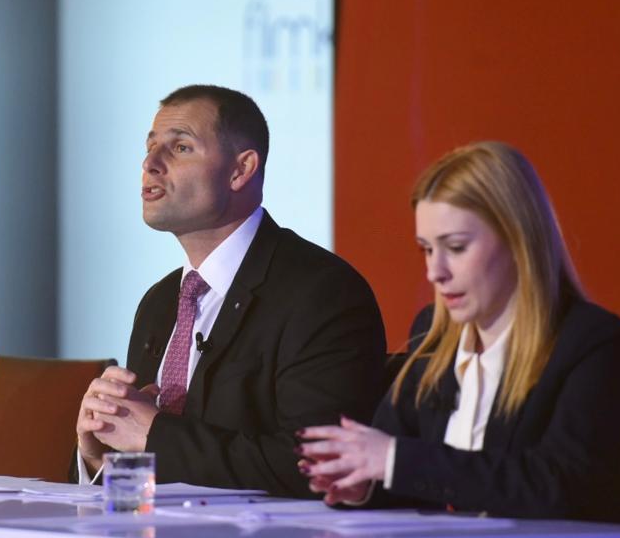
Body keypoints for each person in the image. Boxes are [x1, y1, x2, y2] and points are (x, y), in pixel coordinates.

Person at [74, 85, 386, 495]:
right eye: (150, 147)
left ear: (241, 171)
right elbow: (146, 469)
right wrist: (102, 452)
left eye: (180, 147)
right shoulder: (159, 302)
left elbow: (316, 464)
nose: (150, 163)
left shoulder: (322, 293)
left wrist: (154, 435)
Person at [297, 141, 620, 522]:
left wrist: (393, 460)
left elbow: (564, 486)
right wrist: (362, 485)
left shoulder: (592, 343)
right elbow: (409, 474)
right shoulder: (434, 335)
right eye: (426, 249)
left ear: (517, 240)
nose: (435, 272)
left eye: (455, 247)